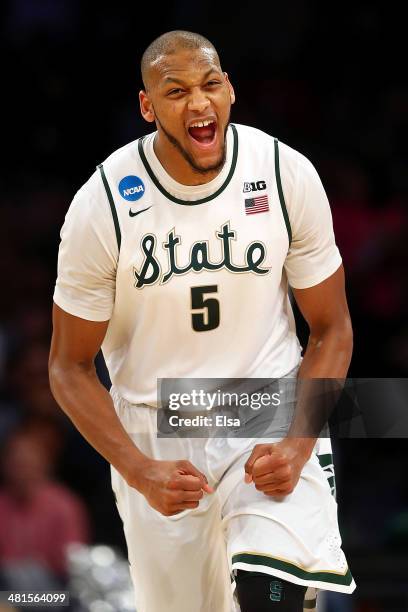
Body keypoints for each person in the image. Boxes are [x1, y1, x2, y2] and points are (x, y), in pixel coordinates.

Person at [49, 30, 355, 612]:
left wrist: (298, 442)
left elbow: (332, 329)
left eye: (211, 84)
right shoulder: (103, 204)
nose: (198, 103)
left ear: (230, 90)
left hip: (265, 409)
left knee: (277, 594)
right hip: (156, 428)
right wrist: (139, 470)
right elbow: (67, 367)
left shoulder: (284, 173)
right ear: (147, 107)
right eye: (176, 90)